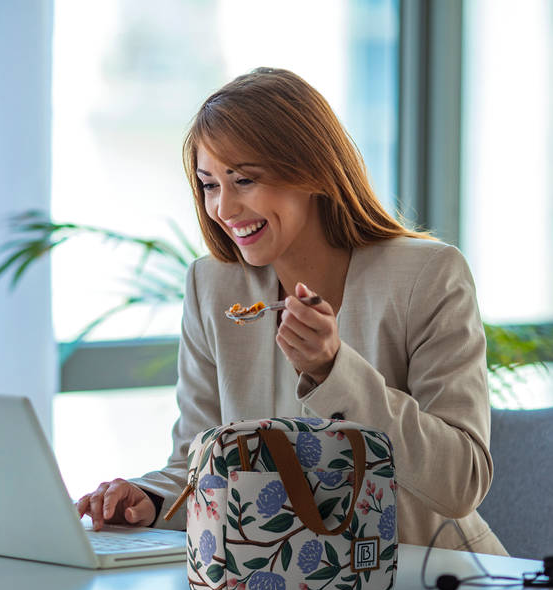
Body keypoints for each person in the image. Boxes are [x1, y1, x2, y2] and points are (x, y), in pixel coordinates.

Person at [76, 67, 507, 554]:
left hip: (433, 580)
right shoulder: (212, 286)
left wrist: (333, 371)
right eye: (210, 185)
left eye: (243, 180)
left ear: (312, 171)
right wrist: (149, 500)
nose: (222, 208)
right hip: (284, 586)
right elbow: (197, 464)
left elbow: (461, 481)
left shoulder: (428, 276)